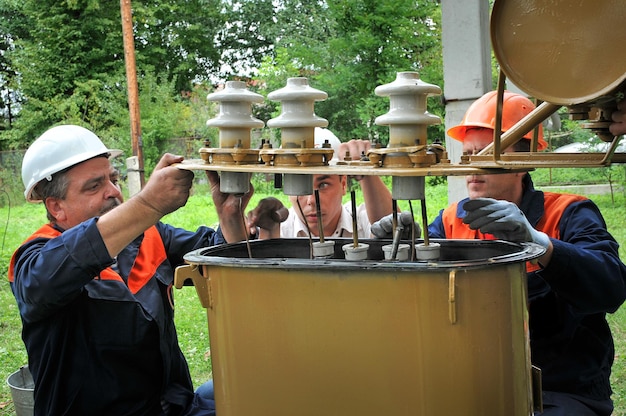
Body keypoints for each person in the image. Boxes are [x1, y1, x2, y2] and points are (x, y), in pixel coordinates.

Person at [373, 90, 626, 415]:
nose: (472, 166)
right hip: (474, 385)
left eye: (486, 153)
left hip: (561, 392)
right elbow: (421, 301)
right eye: (468, 154)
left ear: (523, 162)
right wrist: (405, 252)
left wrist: (541, 245)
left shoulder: (568, 213)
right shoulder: (451, 221)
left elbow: (610, 290)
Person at [7, 124, 270, 415]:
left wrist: (230, 217)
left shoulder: (150, 235)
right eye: (94, 186)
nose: (113, 192)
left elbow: (218, 263)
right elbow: (45, 280)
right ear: (56, 207)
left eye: (113, 179)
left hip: (173, 407)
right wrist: (148, 203)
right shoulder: (34, 259)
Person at [249, 138, 393, 239]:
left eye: (323, 185)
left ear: (343, 184)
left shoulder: (362, 219)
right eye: (301, 187)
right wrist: (269, 234)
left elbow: (393, 226)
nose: (311, 200)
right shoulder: (280, 229)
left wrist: (367, 173)